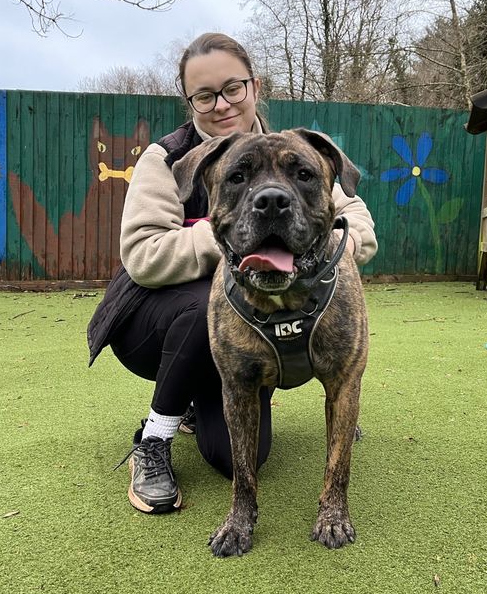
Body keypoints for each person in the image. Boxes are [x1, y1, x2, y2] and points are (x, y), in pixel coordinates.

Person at [87, 32, 378, 515]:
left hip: (249, 325)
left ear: (254, 86)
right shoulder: (169, 159)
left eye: (232, 88)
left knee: (234, 457)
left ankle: (204, 407)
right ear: (189, 101)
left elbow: (356, 222)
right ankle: (156, 435)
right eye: (204, 95)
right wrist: (233, 240)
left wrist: (327, 240)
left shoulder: (298, 151)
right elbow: (142, 254)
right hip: (155, 318)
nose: (220, 103)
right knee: (212, 298)